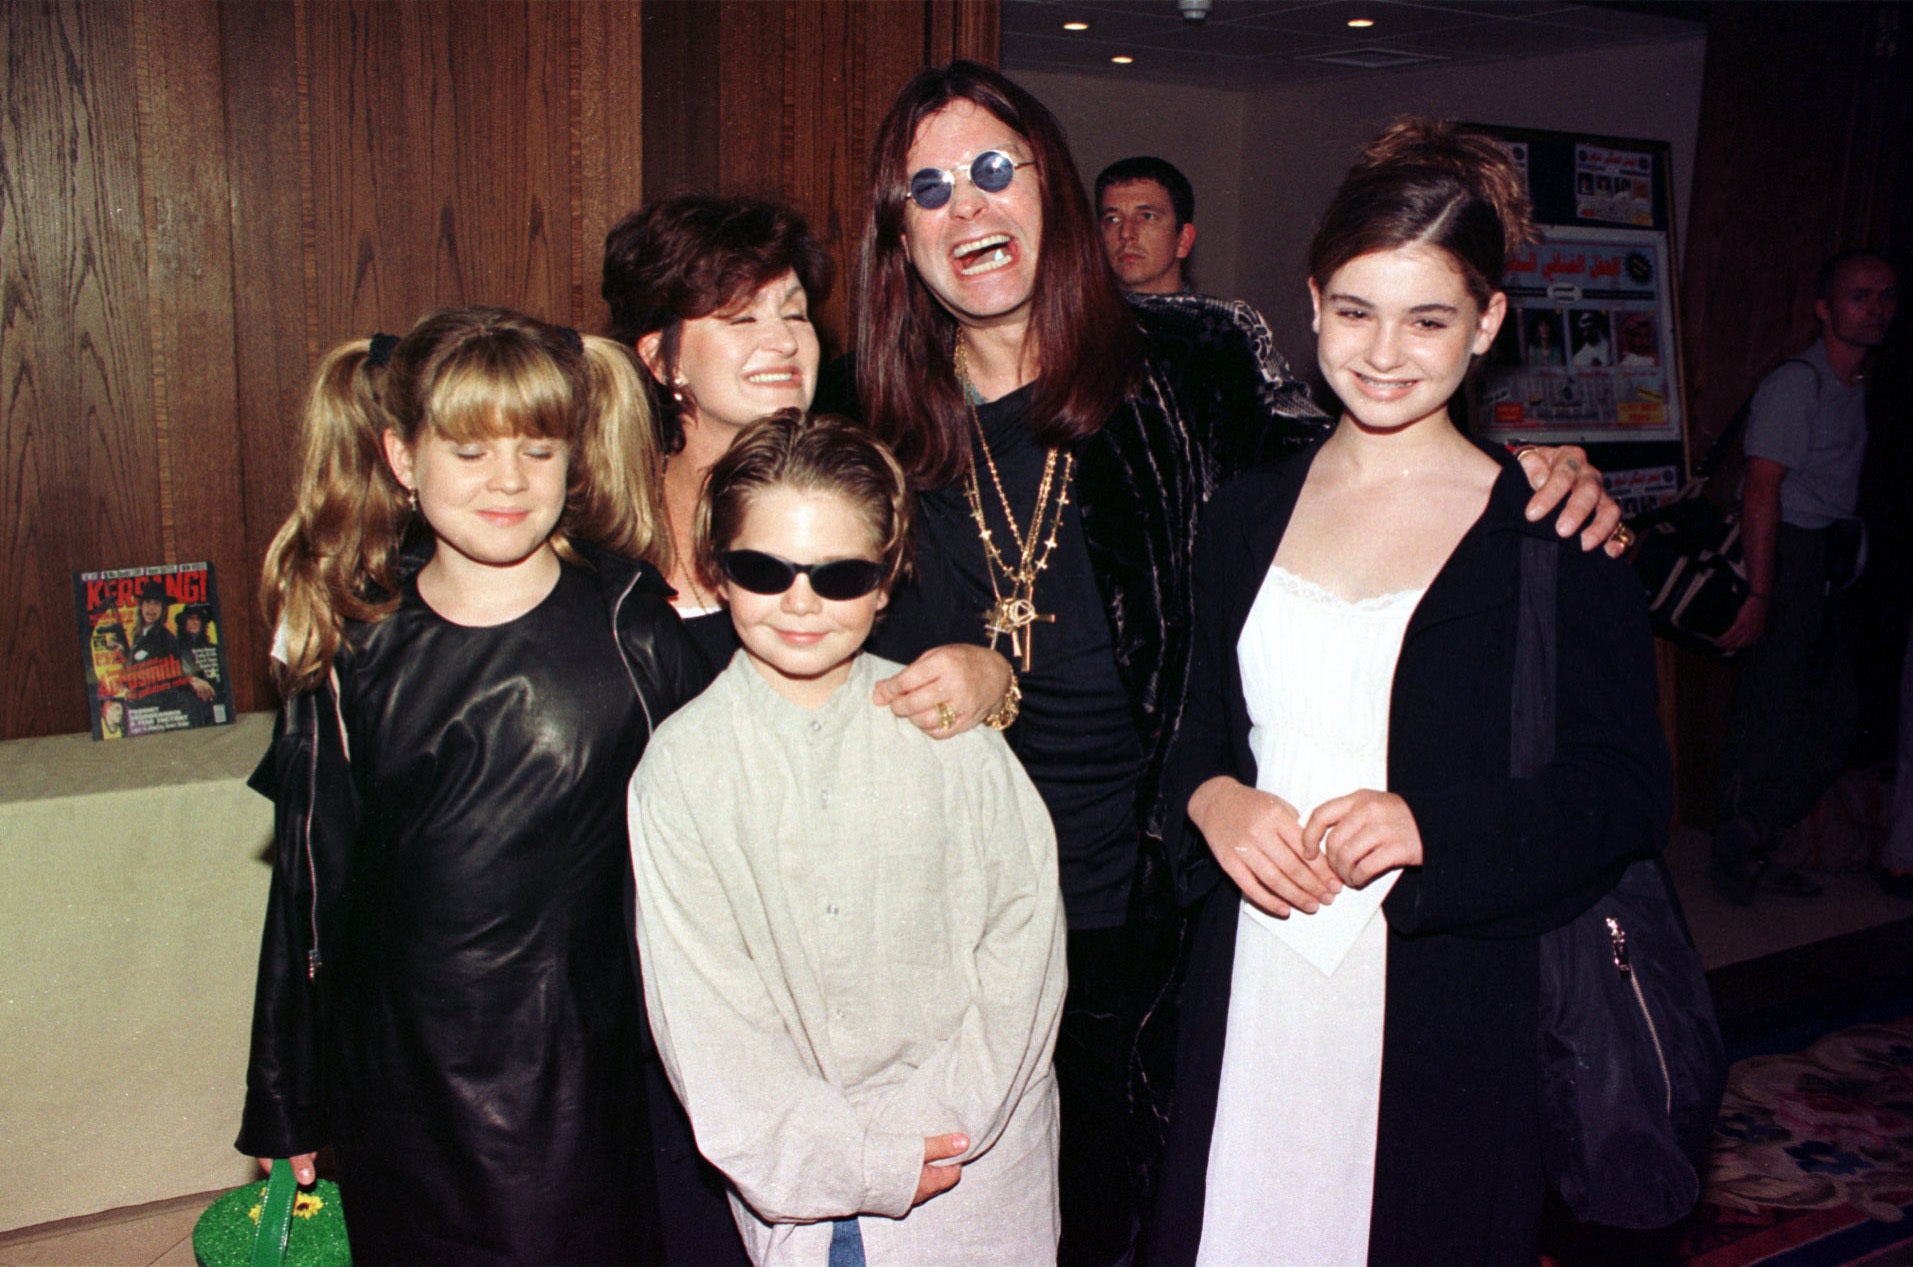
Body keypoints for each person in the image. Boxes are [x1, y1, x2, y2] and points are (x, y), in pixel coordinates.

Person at [832, 60, 1623, 1266]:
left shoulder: (1192, 369)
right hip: (963, 926)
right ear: (898, 230)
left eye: (995, 170)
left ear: (1050, 186)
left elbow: (1378, 442)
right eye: (928, 187)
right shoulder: (873, 424)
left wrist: (1549, 469)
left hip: (1155, 922)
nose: (969, 208)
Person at [1147, 118, 1671, 1267]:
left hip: (1443, 993)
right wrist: (1212, 802)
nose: (1383, 352)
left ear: (1487, 322)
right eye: (1353, 311)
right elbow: (1189, 723)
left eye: (1427, 318)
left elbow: (1621, 791)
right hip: (1255, 978)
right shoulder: (1241, 512)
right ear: (1312, 301)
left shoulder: (1547, 533)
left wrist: (1430, 825)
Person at [237, 307, 708, 1265]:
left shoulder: (633, 630)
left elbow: (735, 837)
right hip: (400, 1079)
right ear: (402, 458)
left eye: (538, 450)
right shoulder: (351, 650)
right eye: (468, 450)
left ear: (573, 460)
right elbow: (306, 892)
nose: (508, 482)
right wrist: (284, 1096)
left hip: (586, 1071)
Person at [630, 411, 1067, 1265]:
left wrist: (931, 1131)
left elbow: (1023, 950)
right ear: (719, 569)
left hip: (976, 1186)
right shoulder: (680, 771)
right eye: (765, 569)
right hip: (801, 1202)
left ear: (885, 577)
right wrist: (851, 1160)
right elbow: (710, 1025)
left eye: (838, 576)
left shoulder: (951, 732)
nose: (800, 603)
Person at [603, 194, 1010, 737]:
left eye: (794, 314)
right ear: (661, 358)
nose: (783, 341)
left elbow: (961, 672)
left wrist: (992, 676)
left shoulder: (875, 508)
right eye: (741, 317)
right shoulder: (597, 533)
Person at [1711, 249, 1898, 905]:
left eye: (1884, 296)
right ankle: (1740, 851)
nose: (1875, 308)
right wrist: (1761, 592)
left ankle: (1751, 835)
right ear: (1823, 308)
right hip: (1787, 552)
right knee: (1772, 708)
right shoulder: (1799, 384)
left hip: (1825, 557)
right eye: (1858, 296)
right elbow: (1761, 489)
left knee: (1828, 713)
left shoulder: (1856, 387)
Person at [1096, 155, 1197, 294]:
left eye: (1147, 216)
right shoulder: (1077, 315)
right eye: (1113, 219)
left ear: (1183, 240)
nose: (1126, 233)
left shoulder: (1222, 315)